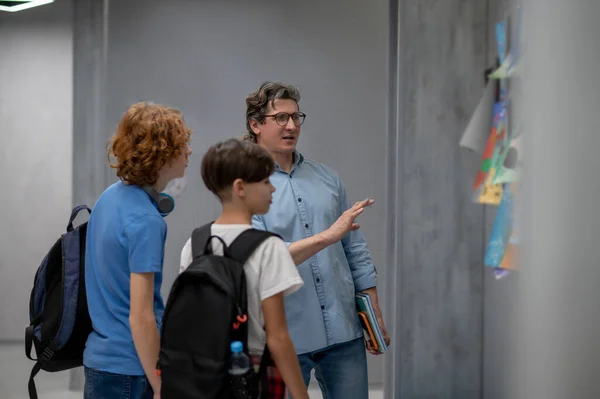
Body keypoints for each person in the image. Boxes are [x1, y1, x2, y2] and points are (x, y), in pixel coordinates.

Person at [243, 82, 391, 398]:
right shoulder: (247, 186)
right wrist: (327, 237)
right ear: (256, 124)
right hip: (285, 336)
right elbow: (263, 259)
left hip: (343, 333)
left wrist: (372, 311)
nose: (292, 126)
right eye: (280, 118)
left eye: (296, 117)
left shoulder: (327, 178)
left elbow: (355, 249)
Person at [179, 138, 310, 399]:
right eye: (264, 182)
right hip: (253, 373)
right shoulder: (269, 247)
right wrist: (301, 396)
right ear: (240, 187)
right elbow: (278, 337)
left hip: (203, 373)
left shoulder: (195, 243)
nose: (272, 189)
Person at [84, 102, 192, 399]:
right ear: (162, 154)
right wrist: (159, 384)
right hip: (131, 370)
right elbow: (141, 316)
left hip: (100, 361)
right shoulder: (146, 221)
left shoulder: (110, 197)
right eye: (183, 144)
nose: (189, 152)